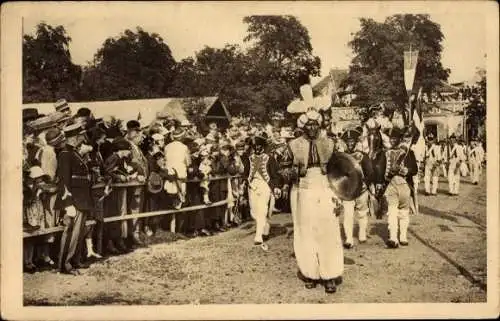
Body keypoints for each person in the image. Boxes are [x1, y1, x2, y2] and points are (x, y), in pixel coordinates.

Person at [280, 107, 343, 294]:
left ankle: (330, 275)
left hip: (326, 187)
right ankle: (310, 272)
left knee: (328, 231)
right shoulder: (293, 145)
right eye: (309, 125)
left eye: (315, 124)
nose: (313, 128)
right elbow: (282, 169)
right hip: (303, 190)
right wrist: (293, 172)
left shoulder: (330, 143)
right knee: (306, 231)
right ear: (303, 127)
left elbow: (341, 167)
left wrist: (339, 193)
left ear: (320, 125)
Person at [55, 123, 95, 275]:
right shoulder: (65, 154)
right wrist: (68, 203)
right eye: (80, 136)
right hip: (74, 200)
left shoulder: (74, 153)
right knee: (71, 232)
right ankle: (65, 265)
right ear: (74, 137)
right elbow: (64, 180)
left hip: (82, 198)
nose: (82, 138)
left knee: (79, 232)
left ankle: (75, 260)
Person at [245, 133, 282, 251]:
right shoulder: (249, 159)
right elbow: (246, 173)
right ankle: (265, 225)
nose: (257, 148)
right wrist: (244, 183)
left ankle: (258, 235)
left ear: (262, 147)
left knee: (262, 209)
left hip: (265, 185)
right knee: (254, 211)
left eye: (259, 146)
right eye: (254, 146)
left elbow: (275, 175)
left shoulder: (269, 158)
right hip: (252, 186)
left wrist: (276, 186)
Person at [383, 127, 418, 249]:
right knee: (392, 212)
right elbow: (382, 170)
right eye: (391, 138)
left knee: (403, 213)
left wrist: (406, 170)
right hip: (391, 185)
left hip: (405, 185)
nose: (392, 140)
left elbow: (415, 169)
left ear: (399, 139)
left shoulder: (408, 153)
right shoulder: (386, 153)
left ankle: (403, 236)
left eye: (394, 138)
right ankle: (393, 238)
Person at [341, 129, 373, 248]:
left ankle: (362, 233)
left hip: (361, 189)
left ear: (355, 142)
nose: (350, 143)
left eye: (352, 141)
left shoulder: (362, 156)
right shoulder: (341, 157)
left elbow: (369, 171)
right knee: (348, 214)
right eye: (348, 141)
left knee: (362, 212)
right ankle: (349, 238)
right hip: (348, 190)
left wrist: (366, 183)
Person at [125, 120, 148, 246]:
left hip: (140, 183)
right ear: (134, 135)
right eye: (139, 136)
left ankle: (136, 232)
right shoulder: (129, 147)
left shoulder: (137, 148)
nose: (141, 139)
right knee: (134, 208)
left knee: (138, 209)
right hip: (133, 184)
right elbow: (133, 163)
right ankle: (133, 234)